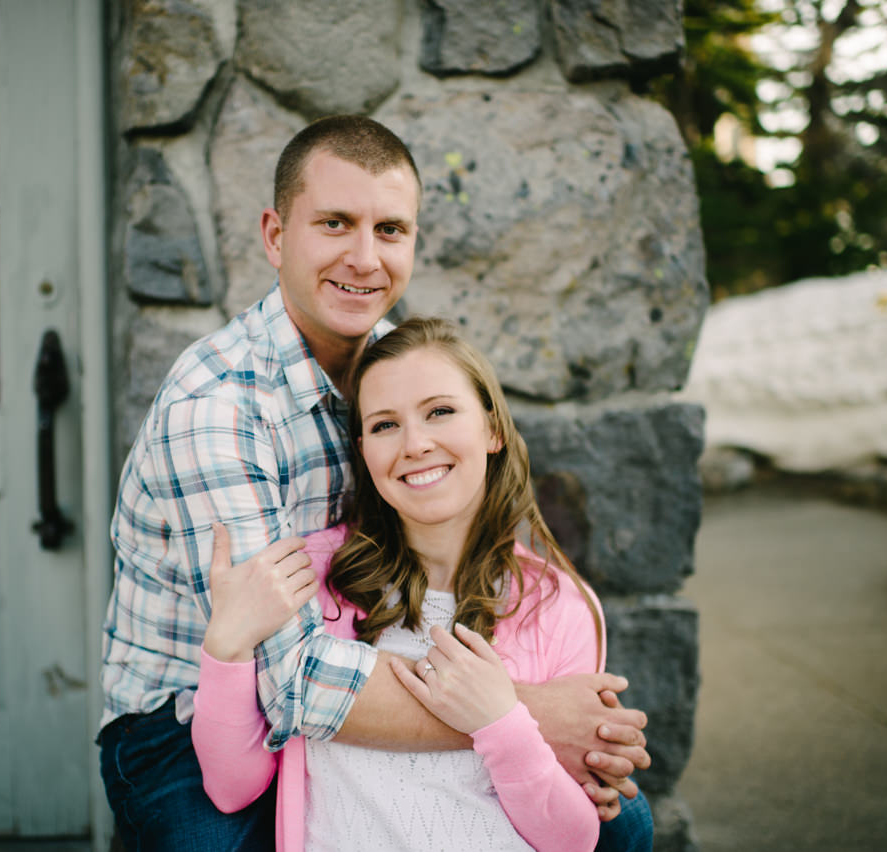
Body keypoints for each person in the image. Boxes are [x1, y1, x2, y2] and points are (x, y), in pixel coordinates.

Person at [98, 114, 653, 852]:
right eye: (334, 223)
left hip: (371, 650)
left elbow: (461, 515)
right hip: (192, 710)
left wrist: (542, 717)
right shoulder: (217, 408)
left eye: (390, 229)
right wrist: (524, 714)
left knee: (621, 827)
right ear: (275, 235)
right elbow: (287, 680)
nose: (365, 259)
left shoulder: (400, 363)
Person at [194, 316, 617, 851]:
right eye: (385, 425)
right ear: (364, 450)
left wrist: (501, 720)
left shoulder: (558, 606)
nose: (415, 444)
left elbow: (574, 838)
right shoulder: (312, 576)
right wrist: (226, 645)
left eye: (440, 412)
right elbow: (232, 787)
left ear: (492, 429)